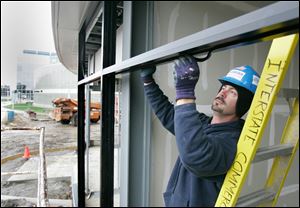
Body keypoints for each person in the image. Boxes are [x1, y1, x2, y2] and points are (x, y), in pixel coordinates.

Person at [140, 55, 260, 207]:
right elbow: (168, 113)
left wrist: (184, 92)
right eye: (223, 88)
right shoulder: (204, 123)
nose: (222, 93)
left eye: (233, 92)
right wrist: (148, 81)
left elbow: (195, 154)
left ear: (243, 104)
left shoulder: (232, 142)